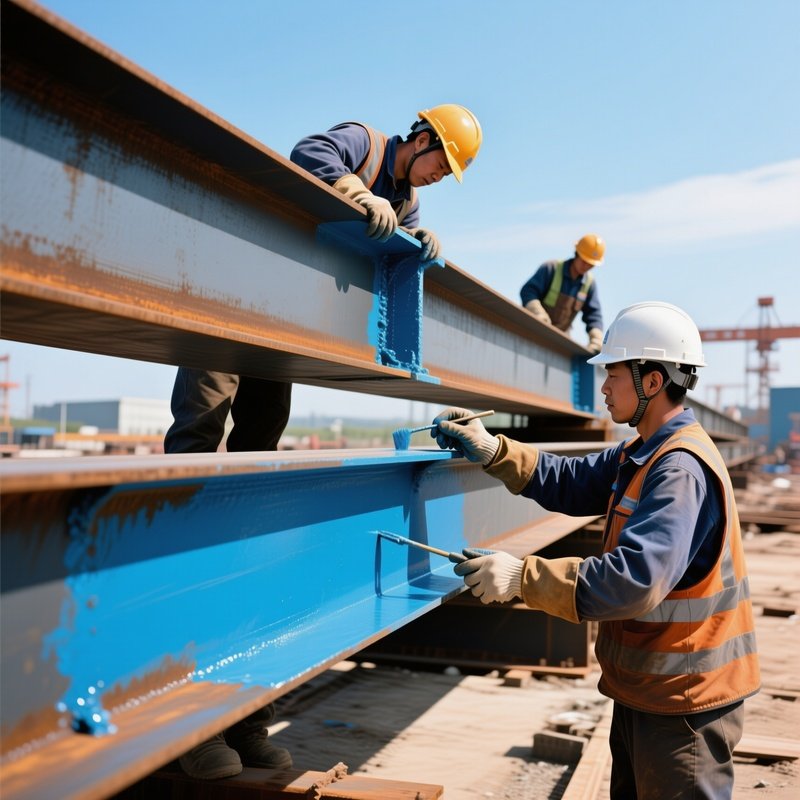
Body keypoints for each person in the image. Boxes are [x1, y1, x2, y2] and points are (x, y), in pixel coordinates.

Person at [170, 104, 482, 780]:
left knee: (258, 458)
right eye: (438, 163)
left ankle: (240, 712)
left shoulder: (407, 198)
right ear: (421, 139)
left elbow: (410, 233)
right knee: (199, 438)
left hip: (277, 332)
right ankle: (182, 710)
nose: (432, 177)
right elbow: (308, 153)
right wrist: (353, 191)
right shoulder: (364, 143)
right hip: (231, 304)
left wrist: (422, 247)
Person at [431, 301, 760, 800]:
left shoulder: (679, 470)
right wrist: (494, 450)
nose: (603, 386)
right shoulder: (642, 453)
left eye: (613, 373)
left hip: (684, 704)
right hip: (647, 691)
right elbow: (573, 478)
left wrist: (523, 577)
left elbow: (633, 580)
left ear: (652, 381)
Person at [520, 233, 605, 353]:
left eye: (591, 264)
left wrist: (597, 339)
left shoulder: (589, 284)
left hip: (560, 340)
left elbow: (593, 315)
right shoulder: (551, 269)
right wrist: (538, 314)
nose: (586, 266)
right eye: (584, 261)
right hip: (534, 331)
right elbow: (528, 291)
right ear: (577, 254)